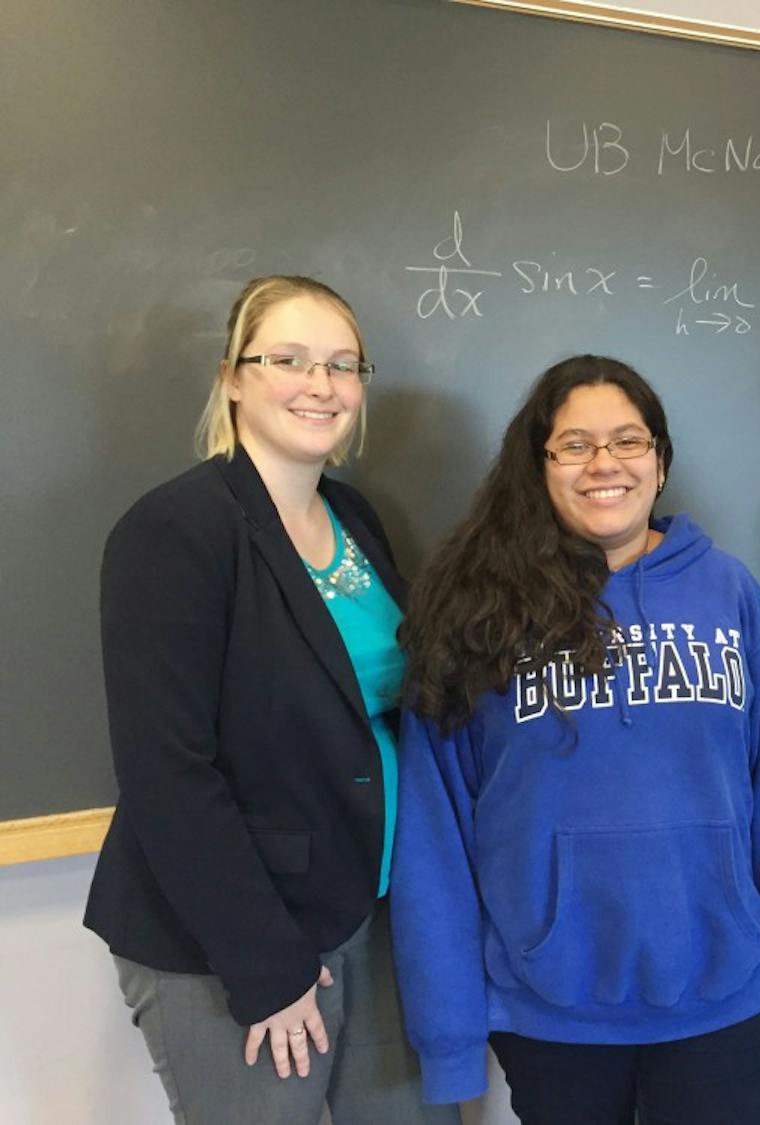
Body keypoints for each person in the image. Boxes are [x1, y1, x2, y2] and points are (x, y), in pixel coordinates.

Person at [392, 355, 760, 1123]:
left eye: (627, 440)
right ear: (538, 464)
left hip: (718, 996)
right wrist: (449, 1040)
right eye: (574, 445)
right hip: (555, 1009)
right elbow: (436, 834)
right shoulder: (478, 610)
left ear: (659, 457)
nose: (604, 464)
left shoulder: (728, 593)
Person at [85, 276, 450, 1125]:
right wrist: (267, 968)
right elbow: (167, 775)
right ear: (233, 377)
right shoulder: (176, 531)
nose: (320, 385)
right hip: (233, 940)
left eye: (342, 364)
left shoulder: (354, 514)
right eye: (288, 359)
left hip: (374, 906)